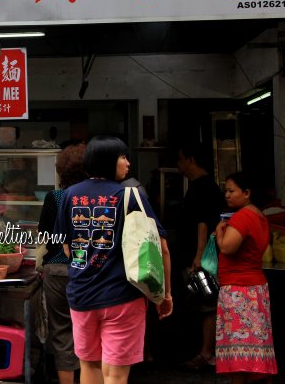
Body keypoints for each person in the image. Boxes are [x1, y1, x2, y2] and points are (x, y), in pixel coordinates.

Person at [55, 135, 173, 384]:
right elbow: (161, 247)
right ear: (107, 160)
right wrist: (165, 294)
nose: (128, 163)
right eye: (123, 157)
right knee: (116, 374)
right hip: (123, 297)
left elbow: (66, 247)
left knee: (89, 366)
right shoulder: (130, 196)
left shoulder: (68, 196)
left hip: (81, 296)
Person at [214, 172, 277, 384]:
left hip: (240, 291)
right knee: (257, 349)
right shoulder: (259, 215)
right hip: (255, 288)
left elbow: (227, 247)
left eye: (232, 191)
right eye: (226, 192)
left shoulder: (242, 216)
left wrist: (219, 233)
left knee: (240, 356)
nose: (227, 196)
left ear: (247, 193)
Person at [37, 143, 87, 384]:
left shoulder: (55, 197)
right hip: (89, 270)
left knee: (62, 333)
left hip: (57, 270)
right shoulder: (95, 199)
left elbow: (45, 236)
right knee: (89, 331)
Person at [177, 143, 224, 371]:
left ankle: (207, 353)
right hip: (199, 256)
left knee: (207, 304)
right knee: (202, 304)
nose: (179, 165)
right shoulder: (201, 186)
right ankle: (204, 351)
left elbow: (203, 222)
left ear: (191, 160)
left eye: (181, 159)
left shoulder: (202, 187)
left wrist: (198, 255)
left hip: (201, 258)